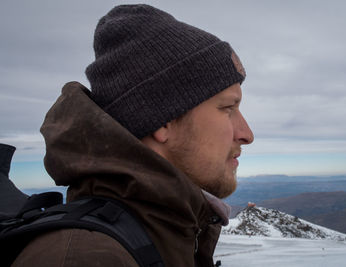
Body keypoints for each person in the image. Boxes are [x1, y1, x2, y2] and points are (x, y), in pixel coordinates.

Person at [12, 4, 253, 267]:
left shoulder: (170, 231)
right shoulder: (85, 257)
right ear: (164, 120)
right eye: (227, 108)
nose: (246, 134)